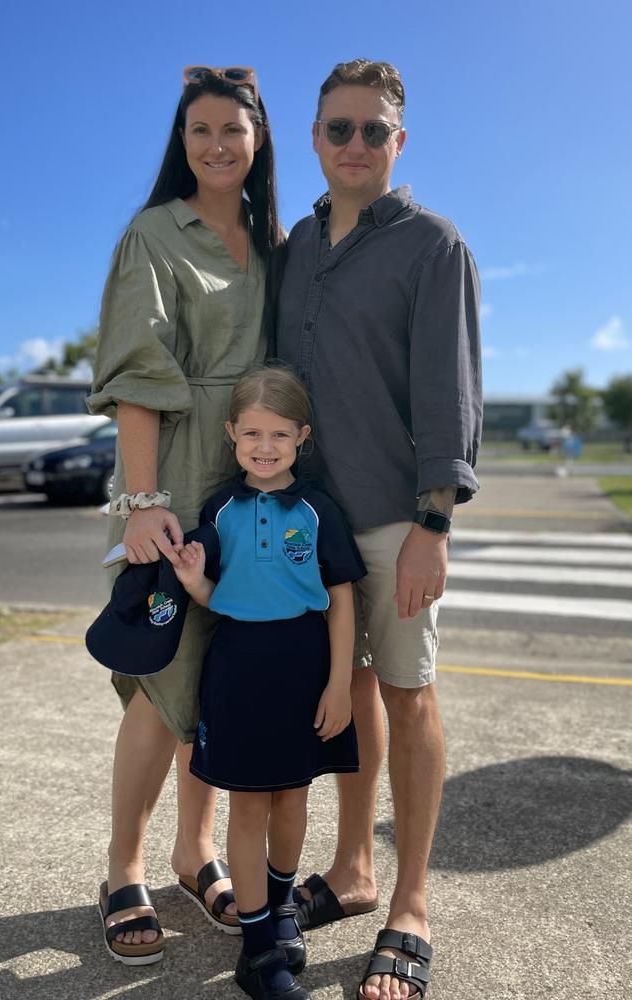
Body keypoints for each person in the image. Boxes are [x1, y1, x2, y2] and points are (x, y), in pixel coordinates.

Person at [274, 60, 482, 1000]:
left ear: (400, 142)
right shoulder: (295, 247)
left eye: (373, 130)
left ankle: (408, 903)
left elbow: (450, 391)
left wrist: (434, 524)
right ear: (315, 139)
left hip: (398, 519)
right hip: (310, 521)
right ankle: (352, 869)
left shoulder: (435, 246)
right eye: (337, 129)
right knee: (347, 694)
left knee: (408, 695)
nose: (354, 145)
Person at [88, 65, 281, 965]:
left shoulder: (274, 240)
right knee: (165, 681)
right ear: (181, 140)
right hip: (175, 468)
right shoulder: (153, 233)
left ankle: (191, 850)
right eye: (199, 130)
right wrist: (142, 504)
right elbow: (136, 373)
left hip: (254, 478)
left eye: (232, 131)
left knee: (222, 673)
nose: (216, 146)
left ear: (258, 141)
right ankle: (123, 865)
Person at [171, 366, 365, 1000]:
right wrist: (196, 580)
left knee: (294, 799)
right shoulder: (218, 509)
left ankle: (279, 911)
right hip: (237, 668)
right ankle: (257, 952)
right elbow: (216, 600)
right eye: (251, 431)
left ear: (301, 436)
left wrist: (339, 684)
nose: (264, 445)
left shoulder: (317, 510)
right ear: (231, 433)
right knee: (249, 802)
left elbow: (340, 599)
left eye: (279, 433)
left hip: (304, 667)